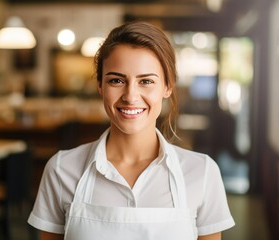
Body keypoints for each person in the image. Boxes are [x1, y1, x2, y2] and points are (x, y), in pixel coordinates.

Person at [28, 21, 235, 240]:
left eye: (146, 81)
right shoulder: (62, 169)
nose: (130, 96)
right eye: (116, 80)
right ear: (100, 86)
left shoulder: (202, 172)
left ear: (167, 86)